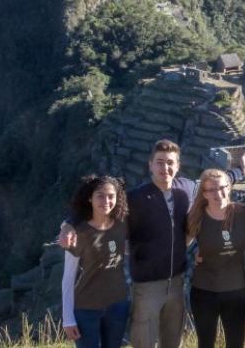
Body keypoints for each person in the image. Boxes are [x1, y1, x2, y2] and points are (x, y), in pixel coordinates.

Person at [60, 139, 197, 348]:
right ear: (150, 164)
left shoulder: (186, 188)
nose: (165, 168)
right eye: (159, 162)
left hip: (176, 284)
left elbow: (213, 187)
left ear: (178, 166)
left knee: (173, 341)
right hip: (146, 285)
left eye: (170, 162)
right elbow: (99, 209)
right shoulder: (134, 198)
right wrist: (68, 225)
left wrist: (240, 170)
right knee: (144, 342)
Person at [186, 169, 245, 348]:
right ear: (204, 193)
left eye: (222, 187)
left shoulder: (243, 214)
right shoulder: (197, 217)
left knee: (235, 343)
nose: (218, 193)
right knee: (206, 343)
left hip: (236, 291)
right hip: (205, 290)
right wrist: (193, 257)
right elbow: (179, 246)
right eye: (212, 190)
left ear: (229, 187)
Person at [61, 175, 130, 348]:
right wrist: (68, 319)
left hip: (118, 306)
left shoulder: (122, 226)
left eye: (111, 196)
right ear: (90, 198)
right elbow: (68, 278)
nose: (106, 201)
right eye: (100, 195)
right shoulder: (78, 233)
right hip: (86, 309)